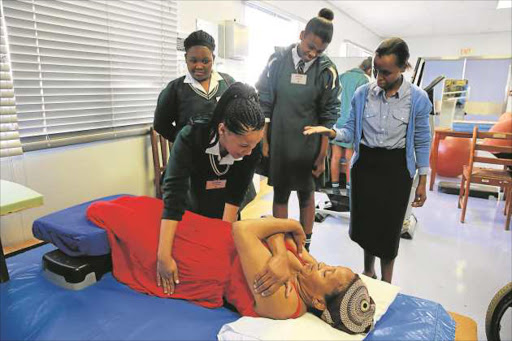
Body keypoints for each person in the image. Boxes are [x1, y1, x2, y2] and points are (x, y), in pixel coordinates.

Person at [86, 195, 376, 335]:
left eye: (328, 274)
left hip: (200, 263)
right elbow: (264, 223)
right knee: (139, 205)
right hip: (211, 233)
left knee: (107, 216)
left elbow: (244, 230)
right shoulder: (308, 271)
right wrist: (278, 253)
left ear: (319, 303)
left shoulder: (285, 302)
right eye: (332, 265)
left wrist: (289, 225)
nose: (322, 264)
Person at [304, 38, 432, 283]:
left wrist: (423, 180)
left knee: (389, 228)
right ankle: (368, 271)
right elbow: (351, 132)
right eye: (376, 70)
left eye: (386, 72)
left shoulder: (417, 99)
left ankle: (386, 281)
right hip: (366, 167)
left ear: (404, 67)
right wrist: (331, 133)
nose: (379, 77)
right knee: (367, 224)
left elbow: (422, 141)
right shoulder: (363, 94)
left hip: (396, 169)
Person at [157, 82, 265, 293]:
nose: (250, 152)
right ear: (222, 130)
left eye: (255, 145)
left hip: (225, 205)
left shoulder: (251, 146)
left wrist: (222, 249)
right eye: (244, 146)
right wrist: (163, 256)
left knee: (224, 261)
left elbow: (235, 196)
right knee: (192, 255)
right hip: (192, 200)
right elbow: (174, 195)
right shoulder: (191, 136)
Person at [256, 8, 341, 251]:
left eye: (319, 51)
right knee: (280, 193)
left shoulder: (327, 70)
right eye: (310, 46)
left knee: (306, 194)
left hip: (309, 145)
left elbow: (329, 114)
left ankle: (305, 246)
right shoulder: (277, 60)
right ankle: (281, 245)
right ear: (302, 34)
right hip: (280, 138)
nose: (312, 53)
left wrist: (322, 155)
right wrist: (265, 140)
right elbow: (265, 100)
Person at [153, 30, 235, 142]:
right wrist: (182, 141)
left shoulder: (228, 83)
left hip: (223, 155)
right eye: (193, 60)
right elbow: (160, 124)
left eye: (205, 61)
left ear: (213, 58)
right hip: (188, 157)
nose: (199, 66)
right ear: (186, 58)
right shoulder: (175, 89)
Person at [330, 57, 372, 193]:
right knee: (350, 158)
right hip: (351, 124)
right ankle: (349, 190)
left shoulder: (342, 76)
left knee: (335, 156)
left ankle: (334, 188)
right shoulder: (364, 80)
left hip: (337, 122)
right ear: (370, 70)